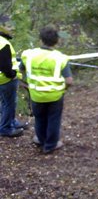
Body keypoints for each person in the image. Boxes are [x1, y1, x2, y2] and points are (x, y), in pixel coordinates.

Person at [21, 26, 73, 154]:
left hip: (36, 94)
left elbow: (20, 70)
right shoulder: (61, 58)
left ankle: (41, 140)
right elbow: (69, 81)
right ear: (56, 41)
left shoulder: (28, 55)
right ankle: (50, 145)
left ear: (41, 39)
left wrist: (24, 84)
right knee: (53, 119)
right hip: (55, 95)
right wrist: (64, 89)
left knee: (39, 118)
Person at [0, 17, 24, 138]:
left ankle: (12, 122)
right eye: (9, 26)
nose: (12, 28)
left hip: (2, 79)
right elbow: (5, 66)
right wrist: (13, 75)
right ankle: (5, 128)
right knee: (9, 104)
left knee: (5, 103)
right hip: (6, 79)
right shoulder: (3, 43)